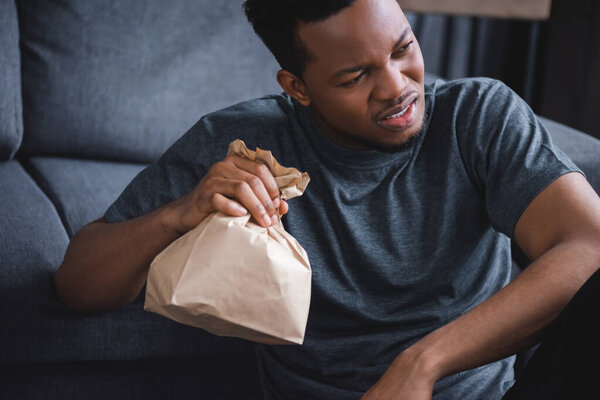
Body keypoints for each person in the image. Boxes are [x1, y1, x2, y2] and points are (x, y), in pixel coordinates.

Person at [54, 0, 600, 399]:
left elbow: (588, 245)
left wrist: (421, 364)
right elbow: (79, 285)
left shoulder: (478, 116)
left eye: (402, 48)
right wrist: (181, 211)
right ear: (298, 87)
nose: (396, 87)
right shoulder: (246, 141)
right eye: (356, 76)